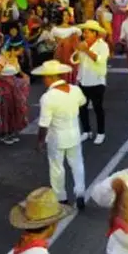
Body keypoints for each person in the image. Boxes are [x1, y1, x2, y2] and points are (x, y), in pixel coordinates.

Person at [32, 61, 87, 209]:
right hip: (74, 134)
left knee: (57, 168)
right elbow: (83, 102)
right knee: (77, 164)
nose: (44, 80)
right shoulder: (75, 90)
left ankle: (61, 197)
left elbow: (44, 124)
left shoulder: (48, 97)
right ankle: (80, 192)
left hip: (56, 138)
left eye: (45, 77)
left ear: (51, 77)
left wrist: (39, 142)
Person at [76, 20, 110, 146]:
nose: (85, 34)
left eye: (88, 32)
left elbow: (99, 60)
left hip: (97, 81)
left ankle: (101, 133)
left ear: (95, 34)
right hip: (83, 80)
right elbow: (76, 60)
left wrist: (86, 50)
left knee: (98, 108)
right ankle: (86, 131)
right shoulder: (83, 44)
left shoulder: (103, 46)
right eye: (84, 32)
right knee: (82, 108)